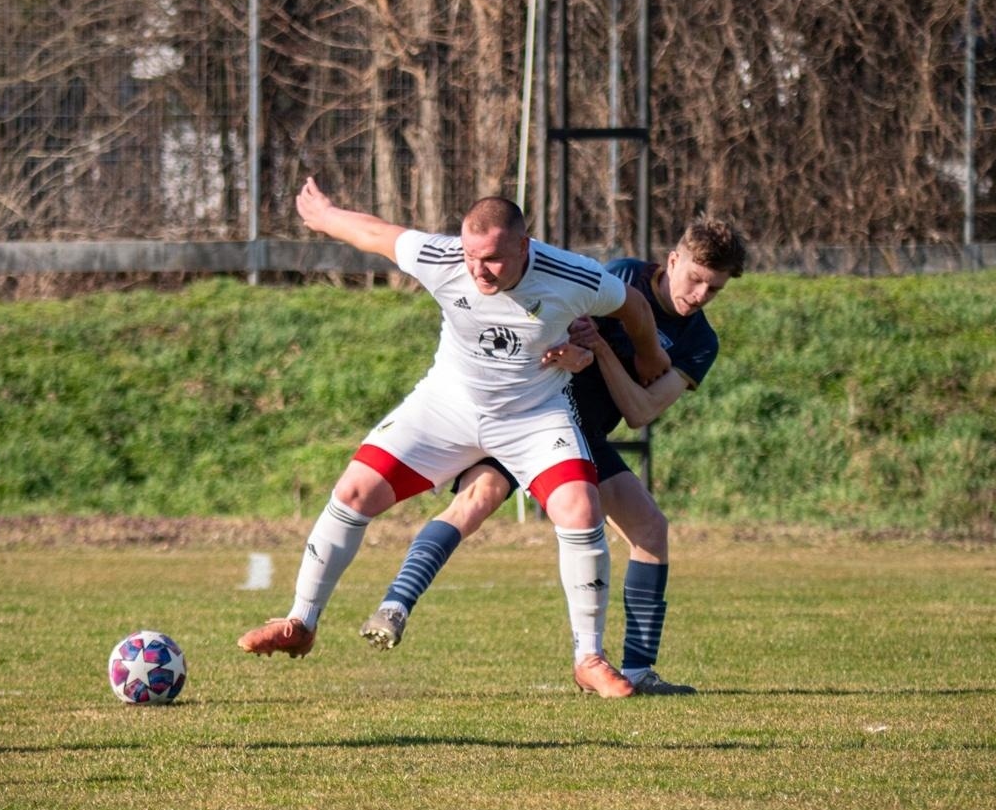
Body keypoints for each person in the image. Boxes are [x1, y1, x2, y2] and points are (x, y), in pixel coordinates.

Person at [237, 176, 672, 697]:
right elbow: (376, 234)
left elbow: (634, 307)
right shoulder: (444, 259)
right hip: (449, 405)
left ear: (524, 246)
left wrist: (649, 356)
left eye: (492, 259)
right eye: (470, 255)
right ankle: (301, 622)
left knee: (580, 508)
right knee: (353, 491)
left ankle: (589, 659)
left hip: (533, 414)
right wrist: (326, 215)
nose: (477, 269)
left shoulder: (571, 275)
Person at [358, 219, 745, 696]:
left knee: (650, 529)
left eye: (715, 288)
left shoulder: (700, 341)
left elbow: (641, 411)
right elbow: (553, 321)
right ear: (673, 260)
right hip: (536, 413)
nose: (701, 294)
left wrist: (600, 350)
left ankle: (639, 670)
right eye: (696, 278)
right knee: (478, 498)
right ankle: (395, 606)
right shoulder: (622, 278)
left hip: (586, 434)